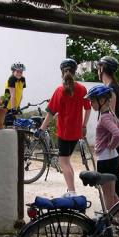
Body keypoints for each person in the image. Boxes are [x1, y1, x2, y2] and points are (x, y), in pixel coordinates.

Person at [38, 58, 91, 197]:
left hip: (64, 132)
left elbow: (50, 112)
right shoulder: (82, 89)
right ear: (75, 72)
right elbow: (88, 108)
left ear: (62, 72)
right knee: (67, 161)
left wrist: (41, 129)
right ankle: (70, 189)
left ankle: (72, 192)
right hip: (76, 132)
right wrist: (84, 125)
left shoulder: (60, 90)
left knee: (64, 163)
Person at [85, 85, 119, 210]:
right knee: (112, 193)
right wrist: (112, 148)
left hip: (105, 160)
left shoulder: (104, 118)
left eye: (92, 100)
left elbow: (118, 133)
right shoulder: (110, 115)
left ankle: (110, 222)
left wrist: (111, 146)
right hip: (112, 158)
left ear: (102, 100)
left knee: (108, 195)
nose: (91, 104)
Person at [97, 56, 119, 198]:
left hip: (112, 135)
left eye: (98, 68)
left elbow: (110, 116)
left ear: (102, 69)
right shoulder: (110, 86)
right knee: (112, 172)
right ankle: (115, 207)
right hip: (113, 134)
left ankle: (116, 208)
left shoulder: (111, 89)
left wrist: (108, 142)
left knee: (112, 173)